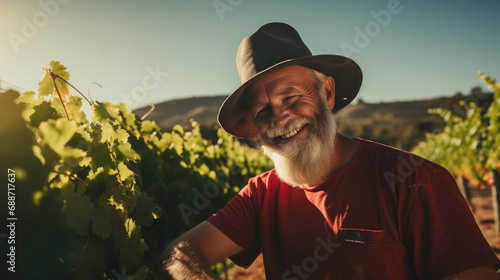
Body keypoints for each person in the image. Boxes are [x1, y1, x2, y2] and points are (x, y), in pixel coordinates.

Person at [154, 22, 500, 279]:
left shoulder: (415, 181)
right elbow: (182, 252)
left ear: (328, 94)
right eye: (262, 112)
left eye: (291, 98)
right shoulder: (261, 194)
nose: (280, 119)